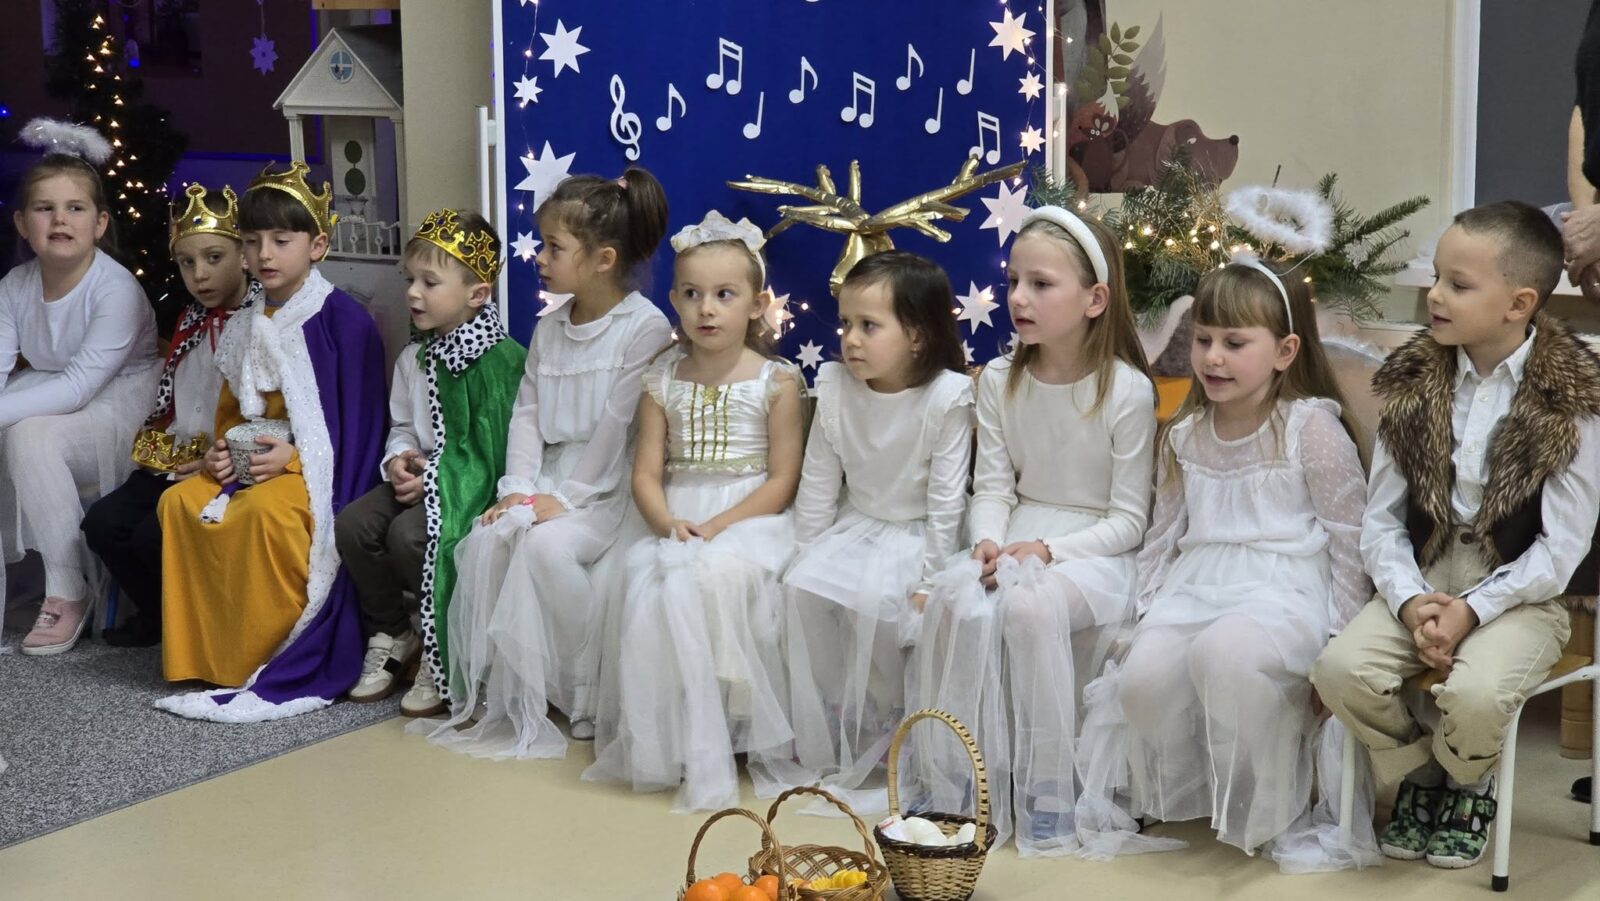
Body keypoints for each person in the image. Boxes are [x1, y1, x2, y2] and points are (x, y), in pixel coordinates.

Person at [1314, 201, 1600, 868]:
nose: (1435, 295)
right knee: (1339, 671)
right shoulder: (1412, 380)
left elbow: (1562, 548)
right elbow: (1382, 520)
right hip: (1423, 577)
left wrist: (1472, 609)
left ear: (1519, 303)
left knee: (1474, 696)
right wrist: (1411, 599)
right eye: (1436, 277)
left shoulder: (1575, 398)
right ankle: (1421, 773)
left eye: (1458, 284)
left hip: (1523, 592)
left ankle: (1469, 780)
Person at [1073, 250, 1374, 872]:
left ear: (1284, 351)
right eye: (1204, 339)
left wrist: (1341, 639)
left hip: (1285, 587)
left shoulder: (1310, 429)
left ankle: (1274, 795)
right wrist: (1145, 615)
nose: (1213, 357)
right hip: (1197, 585)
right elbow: (1162, 536)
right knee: (1144, 679)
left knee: (1227, 654)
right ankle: (1196, 789)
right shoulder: (1185, 434)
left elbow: (1350, 540)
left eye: (1235, 344)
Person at [904, 206, 1155, 854]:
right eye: (1014, 280)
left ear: (1094, 299)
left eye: (1041, 284)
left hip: (1093, 552)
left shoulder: (1126, 391)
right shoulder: (999, 380)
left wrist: (1049, 550)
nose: (1018, 297)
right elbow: (992, 486)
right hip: (1018, 533)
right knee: (957, 598)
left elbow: (1129, 519)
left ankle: (1049, 787)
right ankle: (962, 777)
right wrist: (987, 541)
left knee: (1029, 606)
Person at [419, 167, 672, 759]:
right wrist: (517, 487)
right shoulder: (550, 326)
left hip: (607, 487)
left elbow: (616, 425)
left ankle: (587, 687)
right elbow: (527, 416)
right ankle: (537, 686)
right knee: (490, 541)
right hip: (549, 475)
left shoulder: (645, 327)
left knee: (544, 548)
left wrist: (565, 499)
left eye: (554, 247)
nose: (539, 257)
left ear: (603, 259)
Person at [583, 211, 804, 812]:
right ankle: (673, 735)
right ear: (675, 300)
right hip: (676, 515)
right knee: (646, 580)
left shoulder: (777, 382)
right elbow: (645, 474)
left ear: (756, 304)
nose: (707, 309)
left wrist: (718, 527)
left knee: (715, 578)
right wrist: (667, 525)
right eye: (692, 294)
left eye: (725, 295)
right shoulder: (661, 380)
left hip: (750, 519)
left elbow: (782, 480)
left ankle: (731, 728)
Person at [155, 161, 387, 722]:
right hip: (250, 461)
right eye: (253, 241)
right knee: (179, 502)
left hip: (314, 475)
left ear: (317, 245)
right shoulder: (244, 322)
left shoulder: (343, 321)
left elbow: (360, 428)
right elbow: (231, 412)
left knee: (266, 515)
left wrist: (296, 459)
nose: (265, 255)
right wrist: (219, 452)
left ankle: (266, 653)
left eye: (281, 241)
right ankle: (209, 657)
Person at [782, 250, 974, 808]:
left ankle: (895, 721)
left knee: (886, 610)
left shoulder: (946, 397)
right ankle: (841, 715)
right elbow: (819, 483)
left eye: (869, 325)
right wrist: (804, 551)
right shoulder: (836, 385)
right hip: (858, 524)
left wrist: (931, 578)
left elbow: (946, 502)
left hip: (918, 534)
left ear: (915, 336)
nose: (851, 339)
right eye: (846, 324)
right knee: (803, 589)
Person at [336, 209, 525, 718]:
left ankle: (440, 641)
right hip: (420, 479)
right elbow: (402, 425)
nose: (413, 293)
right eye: (410, 280)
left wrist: (438, 479)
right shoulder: (414, 357)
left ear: (477, 293)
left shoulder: (503, 361)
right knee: (354, 525)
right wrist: (398, 460)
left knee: (409, 537)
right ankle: (394, 630)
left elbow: (497, 449)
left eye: (430, 282)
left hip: (472, 489)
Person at [2, 118, 160, 655]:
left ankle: (68, 588)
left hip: (120, 406)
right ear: (22, 223)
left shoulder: (114, 289)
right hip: (54, 394)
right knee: (18, 427)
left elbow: (77, 387)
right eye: (44, 208)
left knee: (28, 435)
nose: (59, 220)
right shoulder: (14, 286)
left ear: (100, 223)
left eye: (75, 208)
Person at [82, 183, 258, 647]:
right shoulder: (190, 319)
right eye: (186, 262)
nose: (199, 274)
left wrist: (216, 460)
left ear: (244, 255)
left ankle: (196, 626)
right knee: (102, 524)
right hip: (180, 456)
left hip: (228, 464)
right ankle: (160, 613)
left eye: (214, 258)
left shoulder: (262, 322)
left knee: (151, 534)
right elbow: (178, 399)